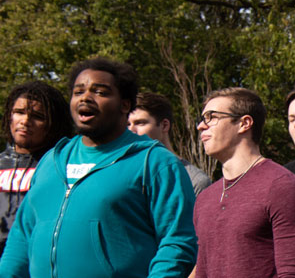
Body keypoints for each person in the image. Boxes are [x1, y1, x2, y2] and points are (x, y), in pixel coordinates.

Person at [0, 57, 197, 277]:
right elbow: (21, 237)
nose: (86, 97)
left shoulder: (154, 162)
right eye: (78, 91)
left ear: (125, 105)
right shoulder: (51, 161)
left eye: (100, 92)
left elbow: (178, 242)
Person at [193, 87, 295, 277]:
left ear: (244, 123)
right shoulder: (205, 198)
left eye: (212, 117)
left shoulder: (282, 186)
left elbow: (293, 272)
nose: (201, 126)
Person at [0, 81, 72, 257]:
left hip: (38, 259)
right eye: (19, 112)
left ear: (53, 125)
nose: (25, 121)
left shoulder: (62, 168)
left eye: (37, 116)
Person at [128, 92, 213, 195]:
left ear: (164, 125)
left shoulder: (194, 180)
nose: (131, 129)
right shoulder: (121, 174)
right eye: (127, 124)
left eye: (140, 123)